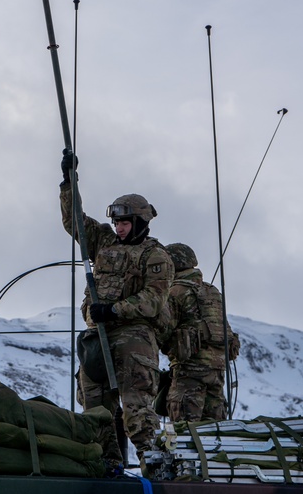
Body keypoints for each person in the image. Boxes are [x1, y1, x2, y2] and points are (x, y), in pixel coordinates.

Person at [60, 150, 174, 465]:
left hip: (134, 338)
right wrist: (69, 183)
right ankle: (105, 464)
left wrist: (114, 311)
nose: (120, 227)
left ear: (139, 222)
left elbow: (154, 299)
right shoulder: (105, 244)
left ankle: (153, 463)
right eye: (117, 222)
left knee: (137, 408)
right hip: (97, 338)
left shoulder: (155, 256)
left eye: (125, 222)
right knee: (95, 410)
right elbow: (75, 223)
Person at [162, 242, 240, 423]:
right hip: (217, 372)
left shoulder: (175, 292)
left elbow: (163, 330)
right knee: (215, 431)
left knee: (186, 433)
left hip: (189, 372)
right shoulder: (212, 291)